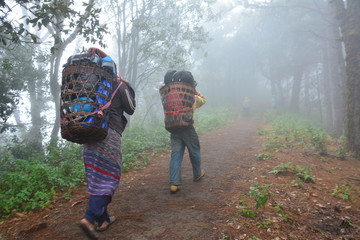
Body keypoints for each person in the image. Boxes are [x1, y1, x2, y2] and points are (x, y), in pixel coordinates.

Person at [79, 49, 136, 239]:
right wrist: (125, 85)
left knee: (97, 178)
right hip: (109, 135)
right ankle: (88, 218)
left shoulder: (88, 85)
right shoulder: (117, 85)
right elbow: (131, 108)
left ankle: (104, 219)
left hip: (88, 134)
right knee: (110, 177)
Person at [165, 70, 206, 194]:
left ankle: (174, 183)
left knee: (176, 154)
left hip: (173, 127)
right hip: (187, 127)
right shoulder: (190, 95)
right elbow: (203, 101)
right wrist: (196, 92)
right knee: (194, 150)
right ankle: (197, 174)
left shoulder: (168, 94)